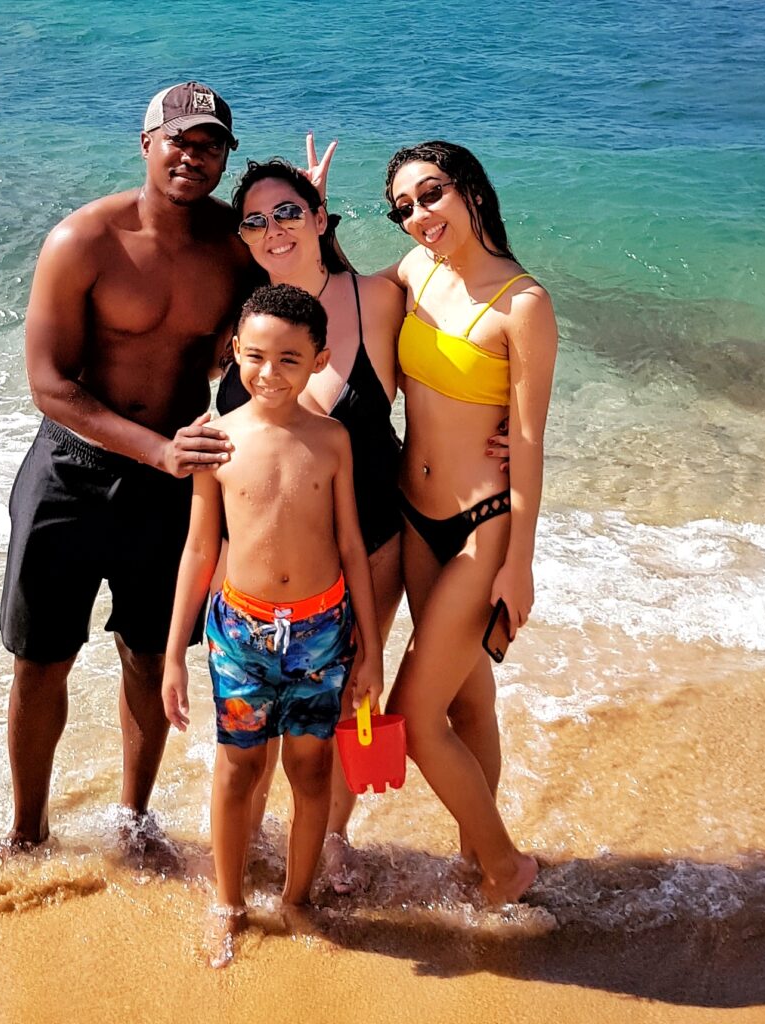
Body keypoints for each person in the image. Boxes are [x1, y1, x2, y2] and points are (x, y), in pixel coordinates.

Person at [218, 152, 511, 892]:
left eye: (289, 211)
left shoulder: (379, 297)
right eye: (256, 219)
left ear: (320, 216)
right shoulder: (245, 324)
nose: (273, 229)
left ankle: (359, 838)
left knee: (364, 691)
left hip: (378, 535)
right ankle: (249, 844)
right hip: (264, 561)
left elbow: (469, 317)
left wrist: (500, 423)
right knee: (260, 718)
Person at [0, 82, 254, 854]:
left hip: (169, 488)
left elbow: (305, 318)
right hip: (71, 475)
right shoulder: (83, 240)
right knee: (42, 661)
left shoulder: (233, 245)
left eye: (209, 144)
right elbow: (48, 383)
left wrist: (311, 221)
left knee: (149, 656)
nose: (192, 155)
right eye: (179, 140)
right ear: (147, 143)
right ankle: (27, 831)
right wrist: (156, 448)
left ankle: (134, 823)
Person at [161, 284, 383, 961]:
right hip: (240, 633)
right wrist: (175, 653)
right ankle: (228, 901)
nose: (270, 372)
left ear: (319, 360)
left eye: (291, 359)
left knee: (312, 772)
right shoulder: (219, 441)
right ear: (234, 355)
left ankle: (296, 900)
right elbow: (200, 547)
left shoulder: (334, 440)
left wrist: (371, 649)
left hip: (321, 632)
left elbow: (351, 546)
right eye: (255, 356)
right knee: (237, 768)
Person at [382, 141, 557, 903]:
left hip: (480, 529)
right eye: (404, 207)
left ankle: (503, 866)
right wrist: (312, 221)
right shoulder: (413, 274)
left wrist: (519, 564)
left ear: (471, 192)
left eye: (431, 195)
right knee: (468, 699)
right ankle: (468, 854)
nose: (419, 215)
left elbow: (526, 441)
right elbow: (342, 299)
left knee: (412, 720)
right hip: (413, 516)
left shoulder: (523, 303)